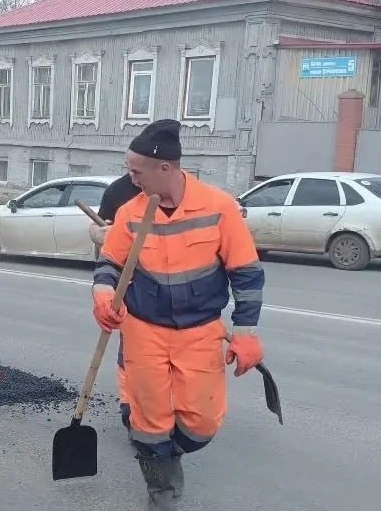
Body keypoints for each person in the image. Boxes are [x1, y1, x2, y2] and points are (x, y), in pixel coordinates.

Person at [92, 119, 266, 510]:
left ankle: (166, 456)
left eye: (137, 171)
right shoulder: (131, 212)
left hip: (200, 331)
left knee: (202, 423)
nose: (131, 179)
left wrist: (247, 332)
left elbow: (247, 273)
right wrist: (102, 295)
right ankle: (162, 491)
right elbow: (109, 265)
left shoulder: (218, 208)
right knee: (148, 423)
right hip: (143, 331)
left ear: (165, 169)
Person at [89, 169, 141, 433]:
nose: (135, 176)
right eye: (130, 168)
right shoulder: (117, 192)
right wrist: (105, 234)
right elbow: (99, 234)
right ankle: (129, 409)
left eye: (139, 169)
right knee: (129, 353)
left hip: (168, 291)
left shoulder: (181, 196)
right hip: (127, 285)